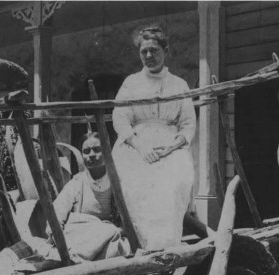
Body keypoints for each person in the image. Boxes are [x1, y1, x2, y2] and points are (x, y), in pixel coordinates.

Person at [112, 24, 196, 250]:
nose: (149, 56)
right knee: (137, 185)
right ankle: (143, 248)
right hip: (136, 144)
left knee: (174, 181)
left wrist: (171, 148)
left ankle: (167, 249)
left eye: (154, 50)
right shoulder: (131, 83)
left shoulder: (179, 84)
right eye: (144, 51)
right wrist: (140, 147)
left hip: (170, 147)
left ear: (165, 51)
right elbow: (119, 117)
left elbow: (188, 125)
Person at [47, 132, 130, 262]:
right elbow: (57, 213)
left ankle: (80, 260)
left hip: (108, 242)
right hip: (79, 238)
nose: (91, 154)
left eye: (97, 150)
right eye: (86, 151)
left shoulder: (118, 182)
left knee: (118, 247)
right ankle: (74, 257)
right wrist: (58, 239)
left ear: (107, 151)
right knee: (108, 230)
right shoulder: (77, 183)